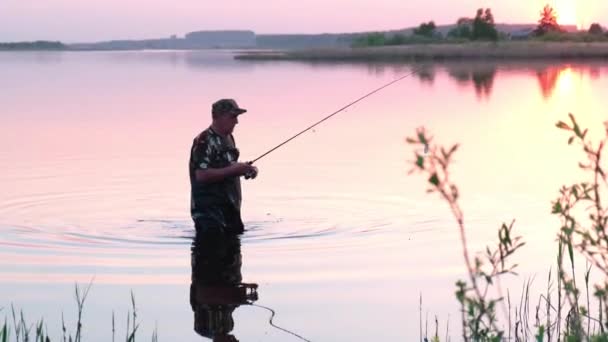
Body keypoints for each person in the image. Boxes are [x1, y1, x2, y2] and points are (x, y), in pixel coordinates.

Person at [189, 99, 258, 235]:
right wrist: (234, 170)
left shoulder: (229, 138)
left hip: (230, 211)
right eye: (233, 117)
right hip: (209, 216)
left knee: (234, 254)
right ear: (218, 117)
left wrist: (247, 170)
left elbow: (228, 167)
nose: (236, 122)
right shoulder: (203, 140)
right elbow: (201, 175)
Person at [190, 230, 258, 341]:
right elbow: (229, 304)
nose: (235, 340)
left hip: (206, 270)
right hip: (228, 271)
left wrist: (238, 296)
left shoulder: (202, 329)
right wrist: (246, 296)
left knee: (209, 236)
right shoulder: (229, 326)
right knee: (233, 238)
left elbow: (203, 296)